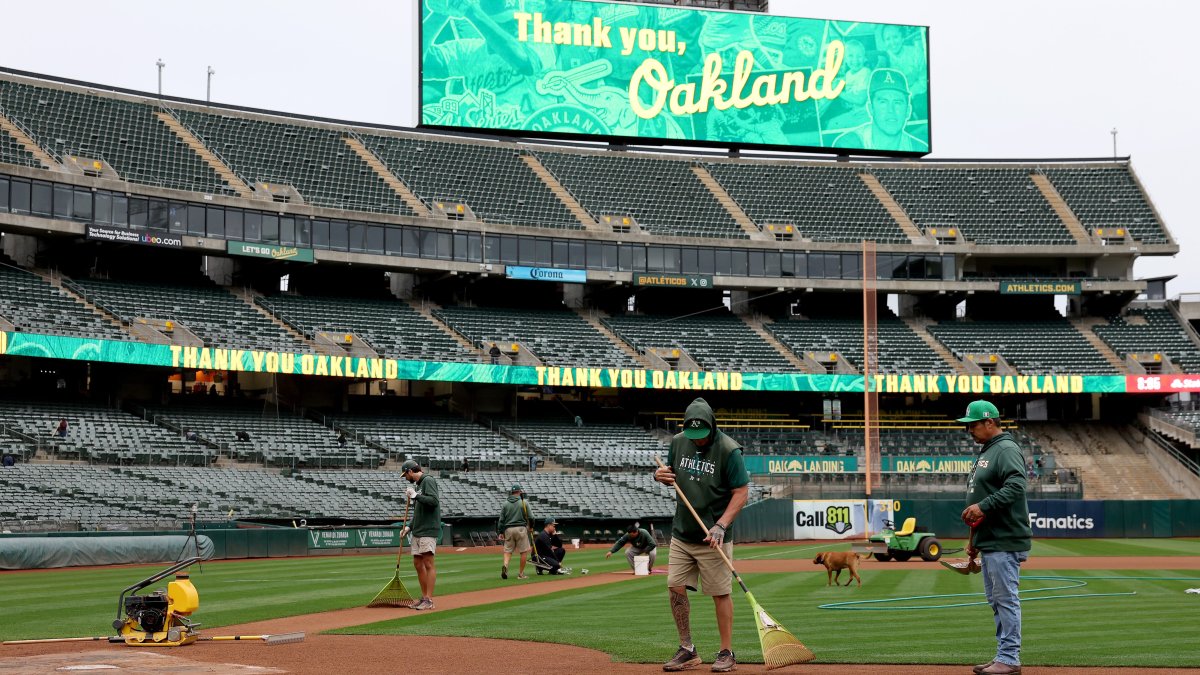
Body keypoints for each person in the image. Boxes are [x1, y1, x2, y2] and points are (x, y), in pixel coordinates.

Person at [654, 397, 749, 673]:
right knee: (674, 586)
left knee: (720, 593)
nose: (697, 441)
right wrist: (660, 475)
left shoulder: (729, 451)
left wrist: (721, 525)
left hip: (714, 535)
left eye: (702, 435)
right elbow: (668, 473)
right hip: (683, 531)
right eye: (693, 435)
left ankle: (726, 652)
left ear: (712, 426)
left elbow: (741, 492)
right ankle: (687, 649)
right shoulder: (679, 442)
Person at [957, 400, 1031, 675]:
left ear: (990, 422)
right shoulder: (989, 451)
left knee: (1005, 599)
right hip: (990, 539)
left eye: (973, 425)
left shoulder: (1006, 449)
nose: (969, 431)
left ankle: (1010, 658)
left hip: (1005, 538)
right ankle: (1003, 654)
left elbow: (1016, 486)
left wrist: (982, 506)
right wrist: (974, 541)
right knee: (997, 600)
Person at [832, 68, 929, 153]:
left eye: (897, 102)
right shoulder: (849, 144)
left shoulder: (919, 148)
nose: (891, 110)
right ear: (870, 109)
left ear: (908, 111)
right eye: (883, 102)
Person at [399, 459, 441, 610]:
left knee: (428, 563)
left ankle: (429, 600)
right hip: (417, 529)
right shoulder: (418, 486)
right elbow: (418, 512)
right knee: (417, 563)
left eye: (405, 475)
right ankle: (423, 598)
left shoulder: (428, 480)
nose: (405, 478)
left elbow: (434, 501)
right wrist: (409, 528)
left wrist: (416, 496)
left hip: (428, 529)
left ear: (410, 471)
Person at [497, 483, 532, 580]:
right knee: (523, 552)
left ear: (512, 493)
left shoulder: (505, 503)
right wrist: (531, 526)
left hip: (508, 529)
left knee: (508, 551)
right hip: (521, 528)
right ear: (519, 492)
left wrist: (500, 531)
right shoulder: (524, 502)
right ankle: (521, 574)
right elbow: (531, 517)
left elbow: (501, 520)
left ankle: (505, 566)